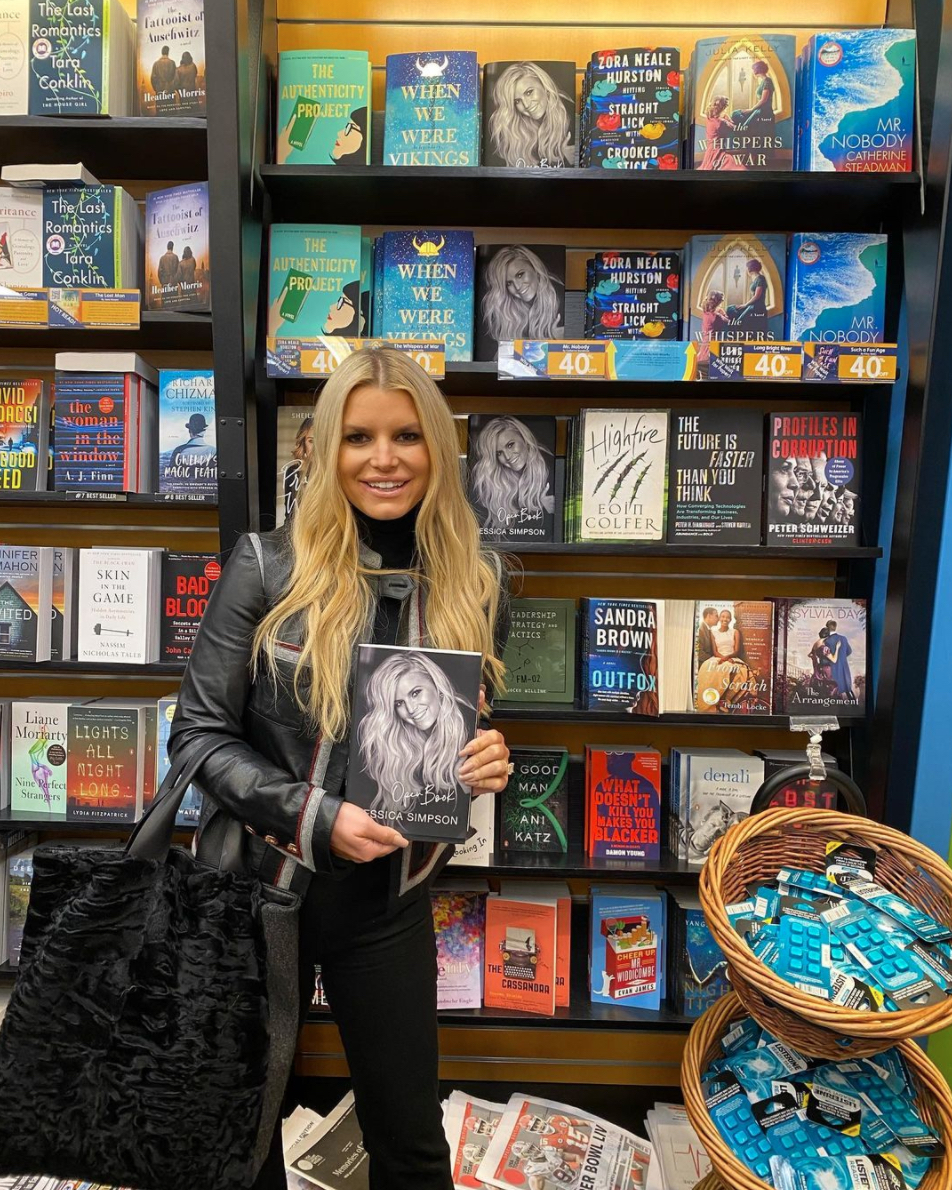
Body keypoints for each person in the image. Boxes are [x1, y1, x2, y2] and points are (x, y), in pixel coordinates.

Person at [168, 348, 511, 1190]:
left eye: (406, 436)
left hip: (386, 905)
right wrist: (316, 817)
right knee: (240, 1141)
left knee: (412, 1147)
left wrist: (487, 756)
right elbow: (197, 736)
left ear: (437, 448)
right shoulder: (265, 565)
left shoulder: (479, 578)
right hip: (255, 894)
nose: (383, 459)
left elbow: (453, 726)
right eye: (359, 437)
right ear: (324, 447)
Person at [358, 649, 471, 819]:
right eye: (398, 703)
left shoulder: (468, 725)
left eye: (415, 693)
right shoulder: (395, 748)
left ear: (436, 685)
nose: (410, 709)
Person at [469, 415, 554, 533]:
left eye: (510, 445)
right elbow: (487, 534)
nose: (508, 457)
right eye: (499, 453)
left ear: (524, 438)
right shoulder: (487, 483)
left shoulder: (549, 467)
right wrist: (541, 509)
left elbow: (547, 535)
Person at [487, 62, 574, 167]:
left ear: (544, 84)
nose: (526, 105)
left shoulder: (569, 113)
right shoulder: (513, 129)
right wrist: (561, 157)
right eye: (517, 101)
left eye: (529, 92)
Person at [480, 245, 564, 348]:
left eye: (520, 275)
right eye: (509, 283)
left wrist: (558, 342)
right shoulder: (504, 310)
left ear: (534, 267)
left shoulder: (559, 297)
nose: (517, 287)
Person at [699, 96, 747, 171]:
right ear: (723, 108)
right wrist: (728, 119)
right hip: (718, 152)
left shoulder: (709, 118)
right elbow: (736, 129)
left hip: (709, 151)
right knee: (739, 168)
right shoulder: (722, 122)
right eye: (725, 107)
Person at [281, 415, 314, 523]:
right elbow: (289, 517)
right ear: (303, 442)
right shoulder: (293, 472)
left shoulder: (338, 472)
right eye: (311, 441)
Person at [727, 258, 770, 331]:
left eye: (747, 268)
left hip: (757, 307)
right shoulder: (756, 279)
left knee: (738, 323)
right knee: (730, 308)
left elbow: (757, 296)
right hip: (752, 306)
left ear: (750, 268)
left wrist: (745, 305)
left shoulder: (761, 279)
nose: (746, 270)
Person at [733, 60, 776, 132]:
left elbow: (763, 100)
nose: (752, 71)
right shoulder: (763, 81)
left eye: (753, 69)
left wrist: (751, 109)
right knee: (735, 114)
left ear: (757, 69)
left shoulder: (767, 81)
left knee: (744, 128)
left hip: (764, 112)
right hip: (759, 110)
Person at [695, 290, 731, 377]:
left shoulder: (705, 311)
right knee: (709, 362)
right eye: (721, 301)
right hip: (712, 340)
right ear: (718, 302)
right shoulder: (717, 315)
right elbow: (728, 321)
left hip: (706, 339)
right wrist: (722, 315)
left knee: (702, 358)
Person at [824, 618, 855, 701]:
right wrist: (842, 657)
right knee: (846, 686)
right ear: (835, 627)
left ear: (828, 628)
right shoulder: (843, 638)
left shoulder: (827, 641)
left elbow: (826, 656)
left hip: (833, 667)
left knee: (835, 689)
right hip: (844, 665)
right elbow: (849, 651)